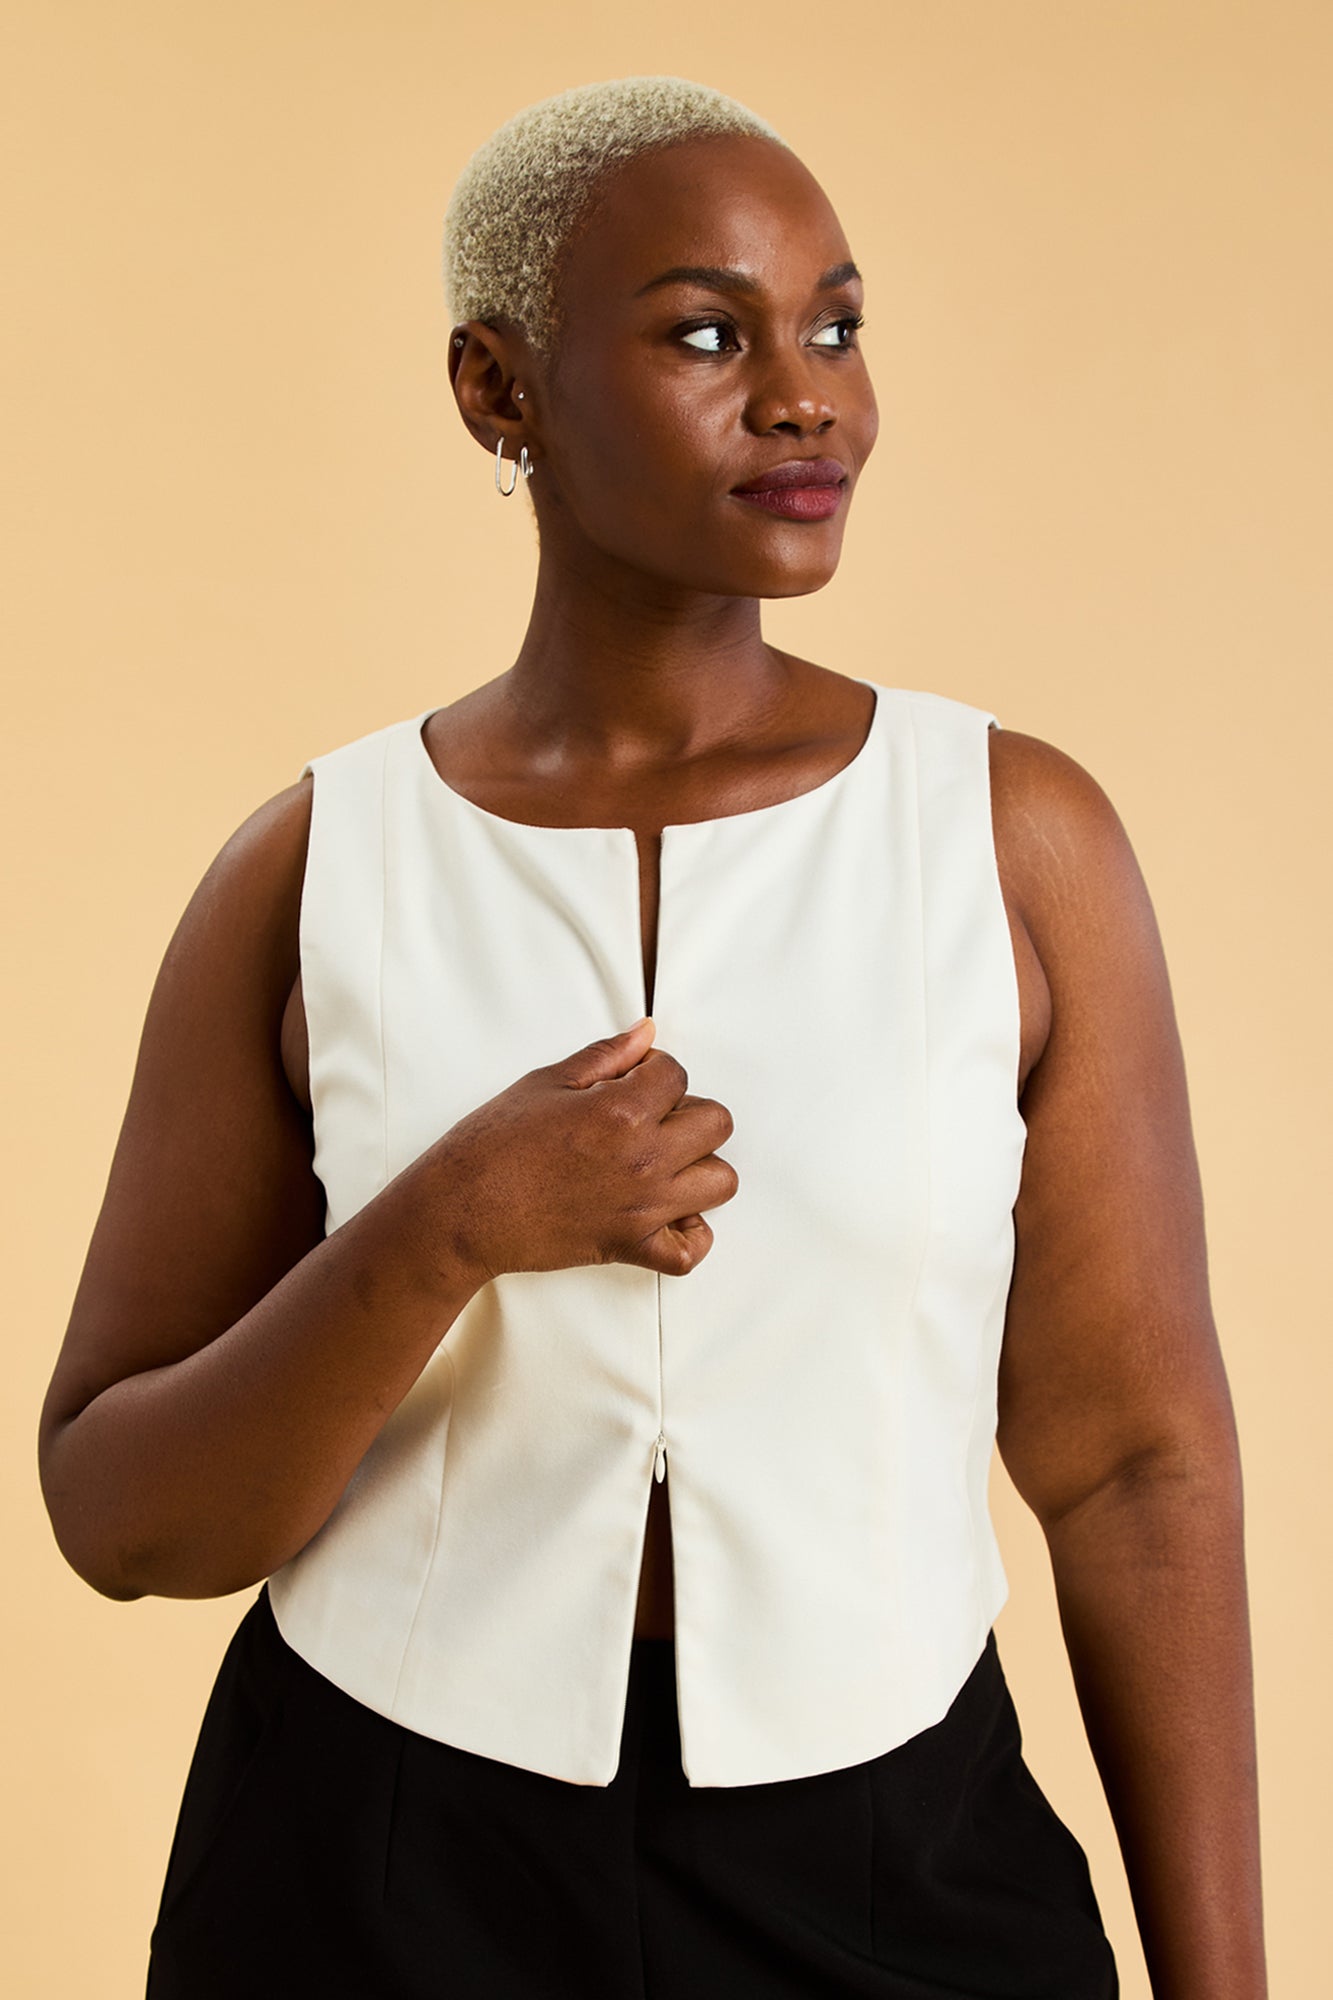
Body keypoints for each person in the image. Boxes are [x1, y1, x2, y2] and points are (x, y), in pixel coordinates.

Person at [39, 74, 1266, 2000]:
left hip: (896, 1861)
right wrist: (442, 1225)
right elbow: (117, 1516)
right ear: (496, 391)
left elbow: (1133, 1465)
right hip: (371, 1865)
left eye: (837, 327)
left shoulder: (1013, 842)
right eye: (710, 332)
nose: (808, 396)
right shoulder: (311, 868)